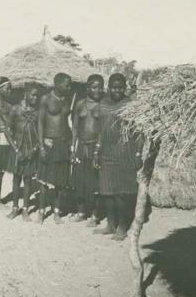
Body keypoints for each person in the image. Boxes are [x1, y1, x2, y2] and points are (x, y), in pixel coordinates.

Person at [93, 73, 145, 241]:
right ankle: (110, 224)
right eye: (114, 87)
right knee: (107, 191)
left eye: (120, 87)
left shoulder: (131, 105)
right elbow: (100, 131)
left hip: (125, 152)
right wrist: (96, 151)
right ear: (109, 87)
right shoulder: (103, 105)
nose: (117, 90)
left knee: (122, 193)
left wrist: (138, 153)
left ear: (125, 88)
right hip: (107, 152)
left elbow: (139, 132)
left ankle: (122, 227)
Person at [37, 73, 72, 224]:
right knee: (44, 180)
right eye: (66, 84)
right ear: (57, 84)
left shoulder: (67, 100)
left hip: (63, 143)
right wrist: (41, 146)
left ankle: (56, 211)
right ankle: (41, 210)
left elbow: (67, 122)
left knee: (60, 181)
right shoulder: (46, 99)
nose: (68, 87)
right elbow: (40, 123)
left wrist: (70, 144)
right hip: (48, 143)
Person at [70, 74, 104, 224]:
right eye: (94, 87)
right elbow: (75, 128)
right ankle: (81, 211)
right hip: (81, 146)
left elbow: (103, 130)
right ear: (88, 88)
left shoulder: (104, 105)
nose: (98, 90)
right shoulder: (80, 104)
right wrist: (72, 148)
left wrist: (98, 148)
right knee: (80, 179)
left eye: (101, 87)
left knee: (95, 180)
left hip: (96, 147)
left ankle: (95, 215)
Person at [6, 84, 41, 221]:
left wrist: (34, 149)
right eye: (32, 94)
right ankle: (15, 207)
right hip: (17, 149)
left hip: (31, 149)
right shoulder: (15, 109)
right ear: (25, 94)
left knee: (28, 179)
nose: (35, 98)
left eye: (37, 95)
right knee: (16, 179)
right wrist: (16, 150)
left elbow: (40, 134)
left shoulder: (37, 113)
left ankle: (25, 208)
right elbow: (8, 132)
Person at [0, 76, 18, 206]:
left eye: (11, 89)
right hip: (2, 137)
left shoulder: (7, 103)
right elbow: (5, 124)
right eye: (7, 88)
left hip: (10, 135)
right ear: (0, 89)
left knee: (8, 169)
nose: (10, 91)